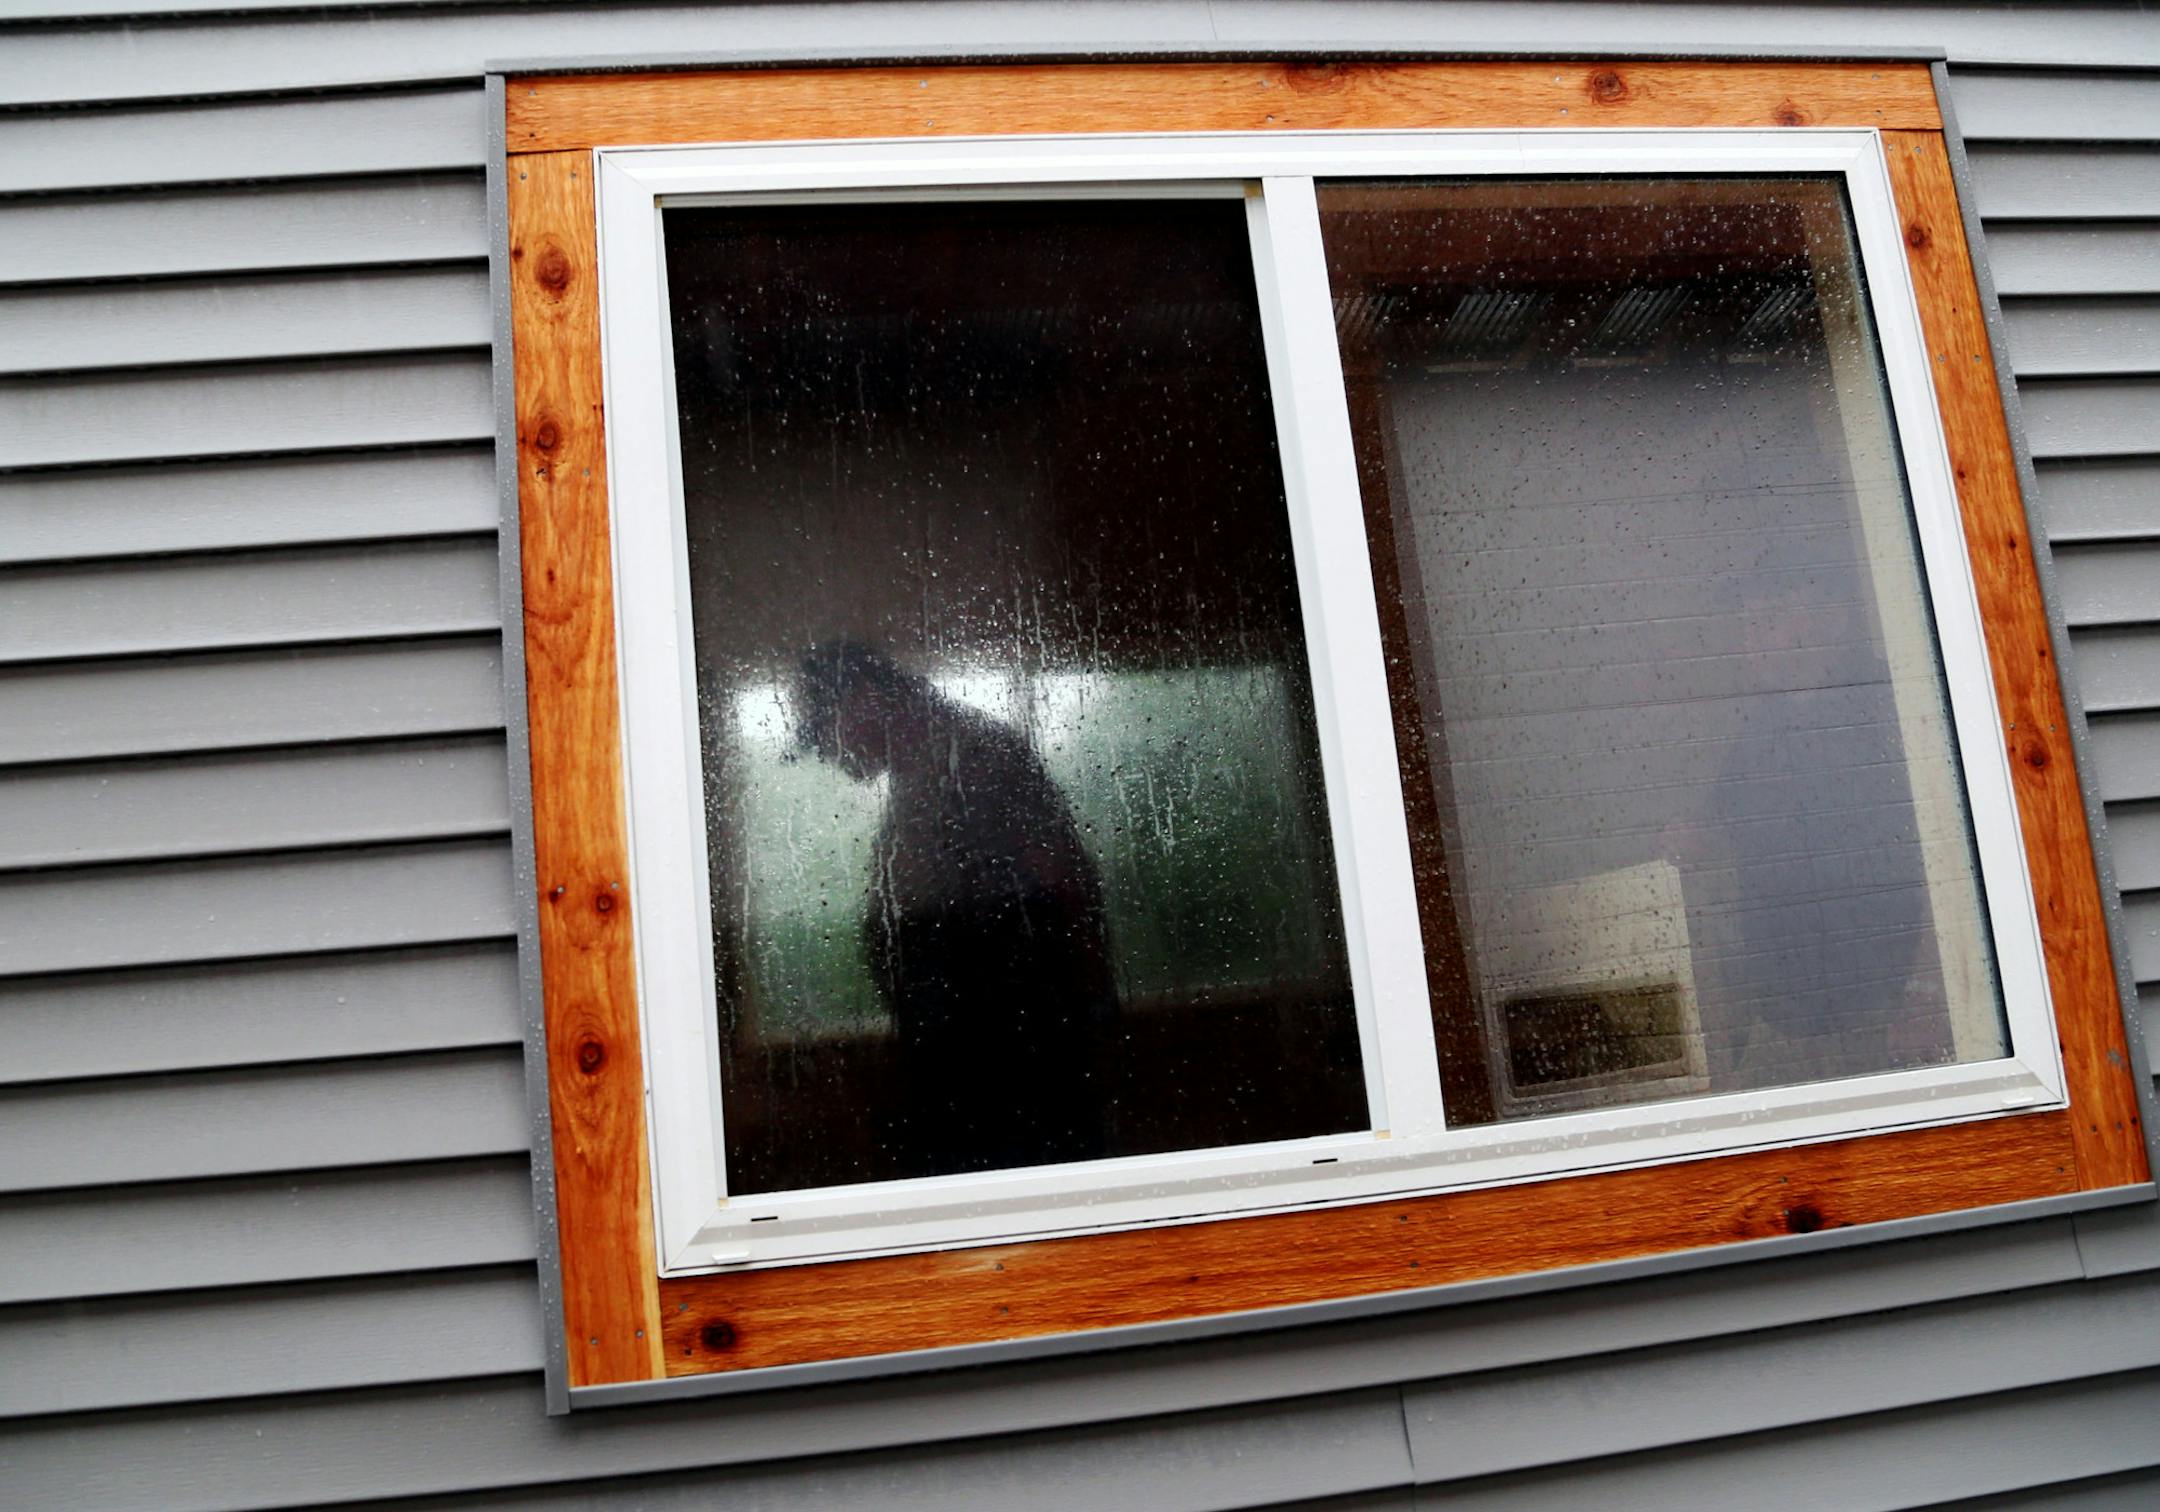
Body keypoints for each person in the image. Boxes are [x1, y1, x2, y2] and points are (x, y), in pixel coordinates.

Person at [793, 642, 1117, 1176]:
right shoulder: (924, 769)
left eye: (819, 733)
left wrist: (1096, 1012)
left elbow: (1061, 878)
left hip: (1008, 1061)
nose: (825, 754)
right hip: (967, 1056)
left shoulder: (973, 756)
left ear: (864, 701)